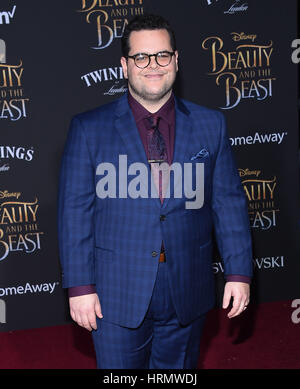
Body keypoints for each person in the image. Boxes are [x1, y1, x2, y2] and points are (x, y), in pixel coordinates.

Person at [57, 14, 253, 369]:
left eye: (162, 55)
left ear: (176, 60)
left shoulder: (211, 124)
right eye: (141, 58)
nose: (153, 66)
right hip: (115, 292)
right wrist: (80, 286)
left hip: (187, 289)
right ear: (124, 65)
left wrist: (238, 272)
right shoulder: (88, 128)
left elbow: (228, 203)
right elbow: (74, 213)